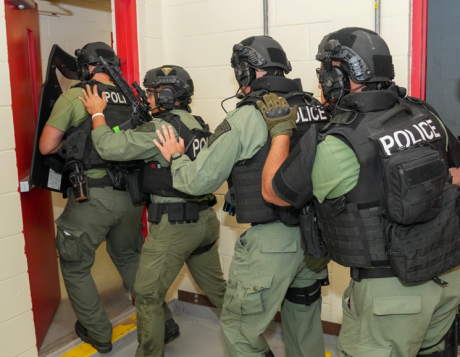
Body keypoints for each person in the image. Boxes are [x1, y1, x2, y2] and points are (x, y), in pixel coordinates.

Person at [260, 27, 460, 357]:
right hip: (448, 278)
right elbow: (454, 173)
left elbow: (275, 193)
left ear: (343, 75)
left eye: (326, 69)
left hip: (391, 293)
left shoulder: (338, 141)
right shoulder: (426, 114)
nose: (322, 78)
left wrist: (281, 132)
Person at [153, 36, 330, 357]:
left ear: (246, 72)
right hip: (315, 238)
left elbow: (197, 182)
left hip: (271, 244)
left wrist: (177, 158)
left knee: (238, 329)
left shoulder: (248, 115)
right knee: (304, 324)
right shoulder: (313, 106)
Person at [79, 65, 227, 357]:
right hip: (204, 220)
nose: (147, 98)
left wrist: (98, 113)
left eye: (152, 92)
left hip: (174, 225)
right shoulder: (196, 122)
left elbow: (109, 147)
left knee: (147, 296)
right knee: (220, 292)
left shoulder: (162, 128)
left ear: (169, 94)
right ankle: (256, 349)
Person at [38, 42, 146, 353]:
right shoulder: (133, 97)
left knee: (75, 265)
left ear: (86, 67)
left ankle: (99, 332)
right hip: (131, 197)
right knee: (129, 257)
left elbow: (46, 147)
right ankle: (160, 317)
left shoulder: (79, 95)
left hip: (93, 196)